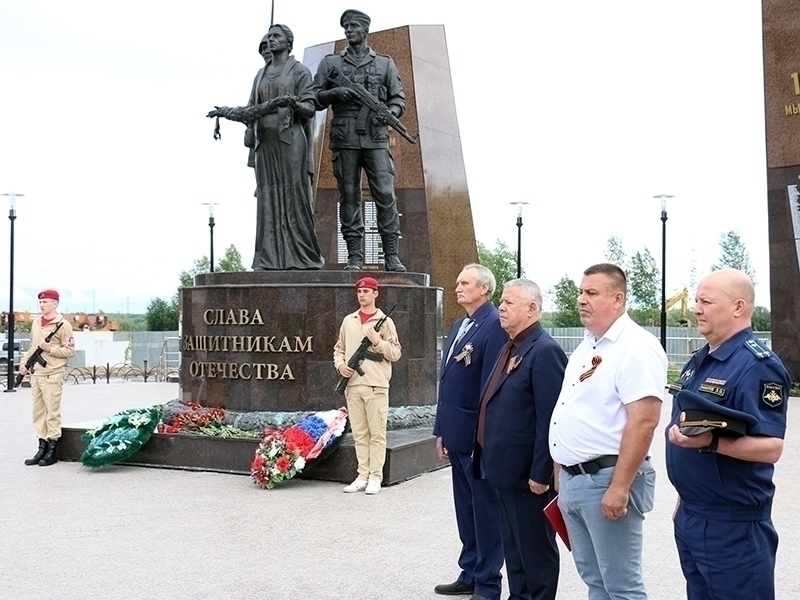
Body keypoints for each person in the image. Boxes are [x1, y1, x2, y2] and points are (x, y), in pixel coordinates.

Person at [665, 269, 790, 600]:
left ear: (738, 307)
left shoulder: (756, 365)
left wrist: (711, 441)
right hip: (694, 513)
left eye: (706, 301)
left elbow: (771, 448)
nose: (696, 308)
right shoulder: (701, 360)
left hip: (732, 525)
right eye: (696, 300)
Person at [549, 263, 667, 600]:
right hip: (575, 480)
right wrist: (561, 466)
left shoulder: (636, 347)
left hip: (607, 480)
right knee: (595, 580)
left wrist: (619, 487)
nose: (581, 300)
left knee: (621, 586)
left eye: (591, 293)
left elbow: (644, 420)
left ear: (617, 299)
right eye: (580, 292)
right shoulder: (588, 346)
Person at [473, 279, 567, 600]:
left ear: (532, 309)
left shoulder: (544, 351)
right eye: (501, 301)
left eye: (509, 302)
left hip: (529, 478)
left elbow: (550, 418)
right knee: (514, 553)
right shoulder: (510, 345)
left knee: (535, 555)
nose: (501, 307)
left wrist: (541, 473)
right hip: (504, 472)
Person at [207, 24, 324, 271]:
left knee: (294, 196)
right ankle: (268, 259)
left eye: (276, 36)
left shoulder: (300, 71)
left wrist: (293, 104)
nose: (271, 40)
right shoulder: (260, 73)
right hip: (265, 145)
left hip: (290, 142)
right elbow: (251, 108)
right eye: (269, 36)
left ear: (288, 42)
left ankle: (302, 256)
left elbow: (310, 108)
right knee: (268, 198)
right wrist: (226, 113)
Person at [313, 9, 407, 272]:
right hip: (345, 138)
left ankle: (391, 256)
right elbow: (315, 98)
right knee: (350, 196)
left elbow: (398, 99)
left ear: (365, 31)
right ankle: (354, 255)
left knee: (385, 195)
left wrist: (390, 114)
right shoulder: (331, 64)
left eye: (354, 26)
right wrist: (335, 92)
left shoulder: (384, 63)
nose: (349, 31)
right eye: (346, 27)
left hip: (376, 138)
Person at [433, 264, 506, 599]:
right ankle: (470, 571)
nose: (458, 287)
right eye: (458, 281)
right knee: (466, 509)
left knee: (486, 510)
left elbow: (490, 388)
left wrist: (482, 438)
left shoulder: (494, 326)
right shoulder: (459, 324)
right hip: (455, 433)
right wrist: (442, 431)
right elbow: (448, 383)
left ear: (485, 289)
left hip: (477, 440)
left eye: (465, 283)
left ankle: (488, 582)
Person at [333, 276, 401, 494]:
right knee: (360, 434)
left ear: (375, 294)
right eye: (359, 291)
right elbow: (339, 349)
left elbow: (395, 353)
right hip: (353, 386)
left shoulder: (385, 322)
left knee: (377, 433)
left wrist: (377, 341)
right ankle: (362, 475)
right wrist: (340, 365)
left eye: (366, 291)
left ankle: (375, 477)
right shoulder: (349, 320)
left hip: (376, 386)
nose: (362, 295)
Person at [18, 289, 76, 467]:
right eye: (41, 302)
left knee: (52, 412)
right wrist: (24, 363)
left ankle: (52, 449)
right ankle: (41, 447)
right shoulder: (36, 323)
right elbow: (32, 347)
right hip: (37, 374)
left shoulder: (63, 325)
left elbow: (70, 351)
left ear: (55, 304)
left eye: (45, 302)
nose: (42, 305)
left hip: (52, 374)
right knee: (38, 413)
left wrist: (50, 349)